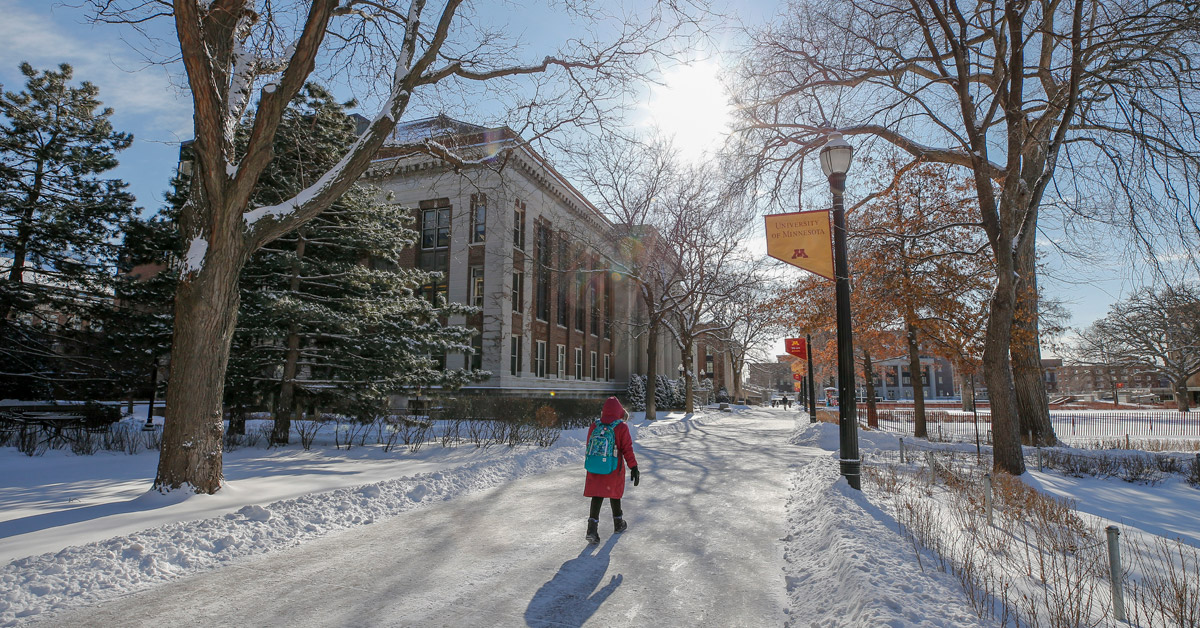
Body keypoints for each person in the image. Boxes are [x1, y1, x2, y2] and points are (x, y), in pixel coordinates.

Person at [584, 397, 639, 544]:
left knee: (597, 494)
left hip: (595, 466)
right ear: (619, 410)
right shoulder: (621, 426)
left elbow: (588, 445)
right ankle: (618, 523)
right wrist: (633, 467)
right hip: (613, 467)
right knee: (614, 493)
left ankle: (592, 529)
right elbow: (627, 449)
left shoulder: (595, 425)